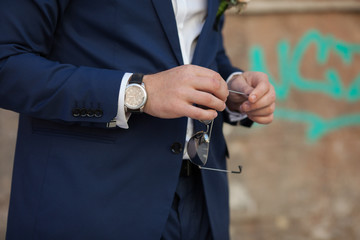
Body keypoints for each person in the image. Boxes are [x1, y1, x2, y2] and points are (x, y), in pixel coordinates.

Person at [0, 0, 275, 239]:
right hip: (93, 198)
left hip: (202, 197)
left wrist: (232, 87)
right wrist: (139, 92)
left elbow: (198, 47)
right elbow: (7, 63)